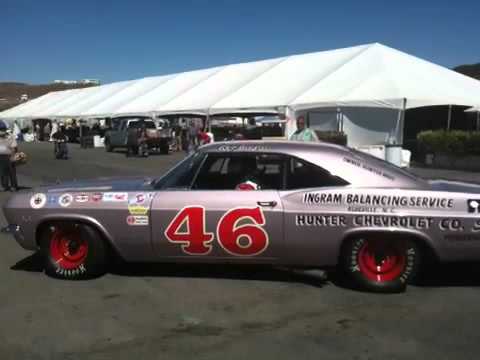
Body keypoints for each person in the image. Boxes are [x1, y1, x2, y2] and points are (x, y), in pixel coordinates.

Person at [0, 121, 18, 191]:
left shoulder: (10, 136)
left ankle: (13, 186)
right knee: (2, 172)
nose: (1, 131)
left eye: (2, 129)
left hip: (9, 155)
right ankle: (4, 186)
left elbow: (14, 147)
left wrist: (13, 155)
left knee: (11, 172)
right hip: (0, 156)